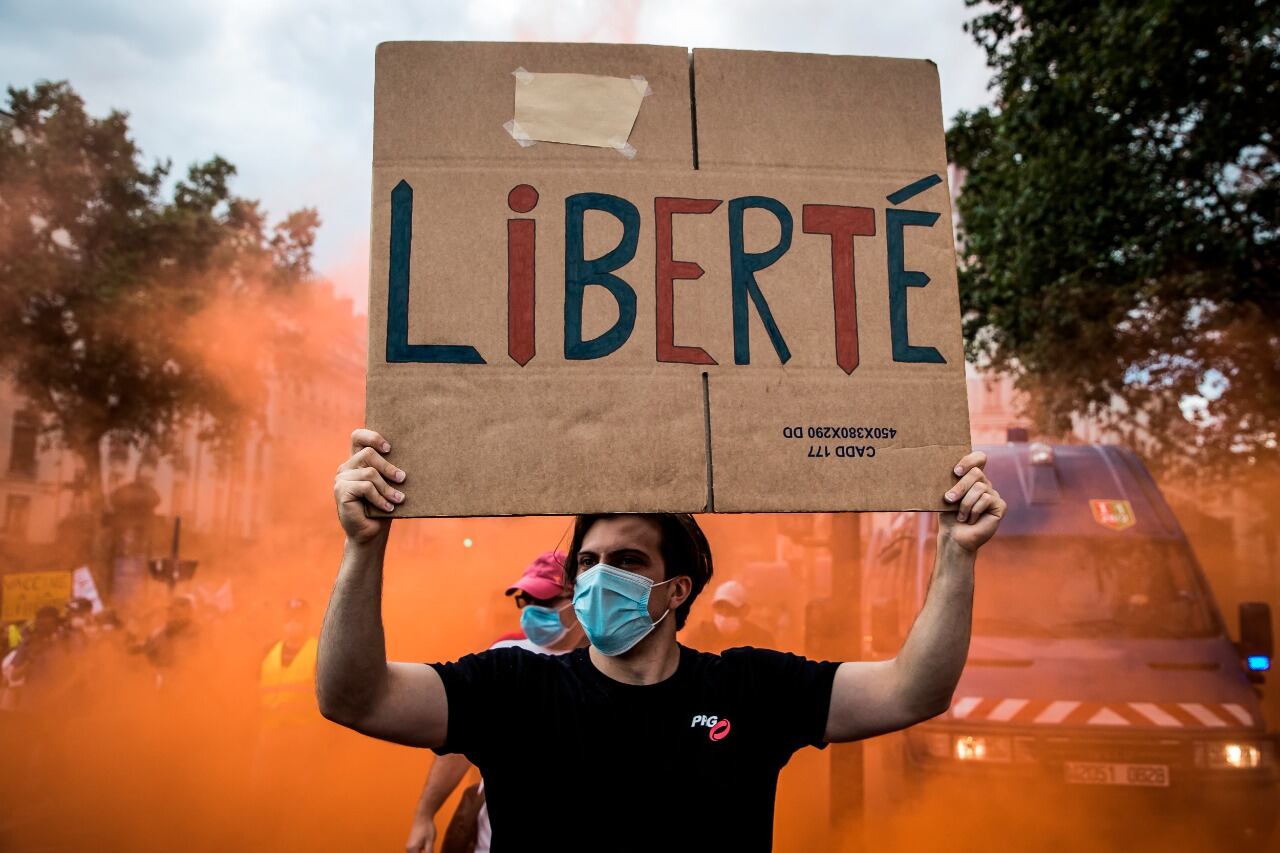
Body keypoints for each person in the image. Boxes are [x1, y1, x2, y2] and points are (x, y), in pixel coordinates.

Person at [319, 429, 1005, 852]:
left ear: (676, 590)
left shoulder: (750, 689)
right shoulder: (514, 687)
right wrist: (363, 546)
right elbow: (354, 696)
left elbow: (916, 688)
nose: (597, 578)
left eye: (627, 561)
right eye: (587, 562)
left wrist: (957, 551)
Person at [405, 552, 587, 853]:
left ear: (580, 599)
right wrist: (425, 813)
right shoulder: (506, 654)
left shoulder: (611, 664)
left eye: (544, 601)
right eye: (525, 600)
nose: (531, 611)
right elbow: (459, 743)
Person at [684, 579, 776, 651]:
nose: (724, 614)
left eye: (731, 608)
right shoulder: (698, 637)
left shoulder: (760, 640)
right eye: (719, 608)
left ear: (745, 610)